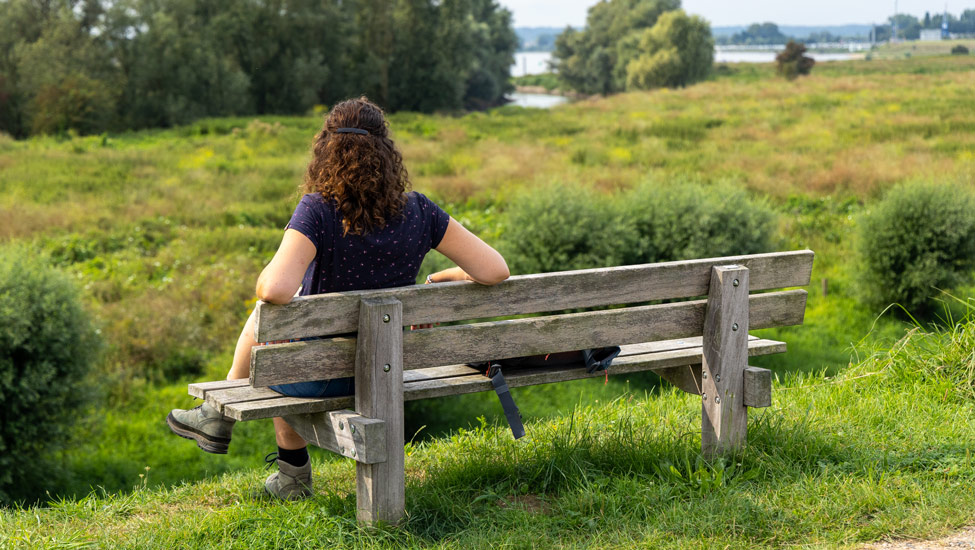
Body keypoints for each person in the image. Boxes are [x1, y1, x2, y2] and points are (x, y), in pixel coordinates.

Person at [167, 97, 509, 500]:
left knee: (270, 326)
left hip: (320, 370)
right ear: (386, 154)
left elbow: (273, 290)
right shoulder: (420, 212)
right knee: (280, 338)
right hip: (389, 367)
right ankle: (229, 429)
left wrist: (267, 272)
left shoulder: (318, 211)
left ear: (326, 152)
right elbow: (495, 270)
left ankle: (266, 457)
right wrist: (435, 279)